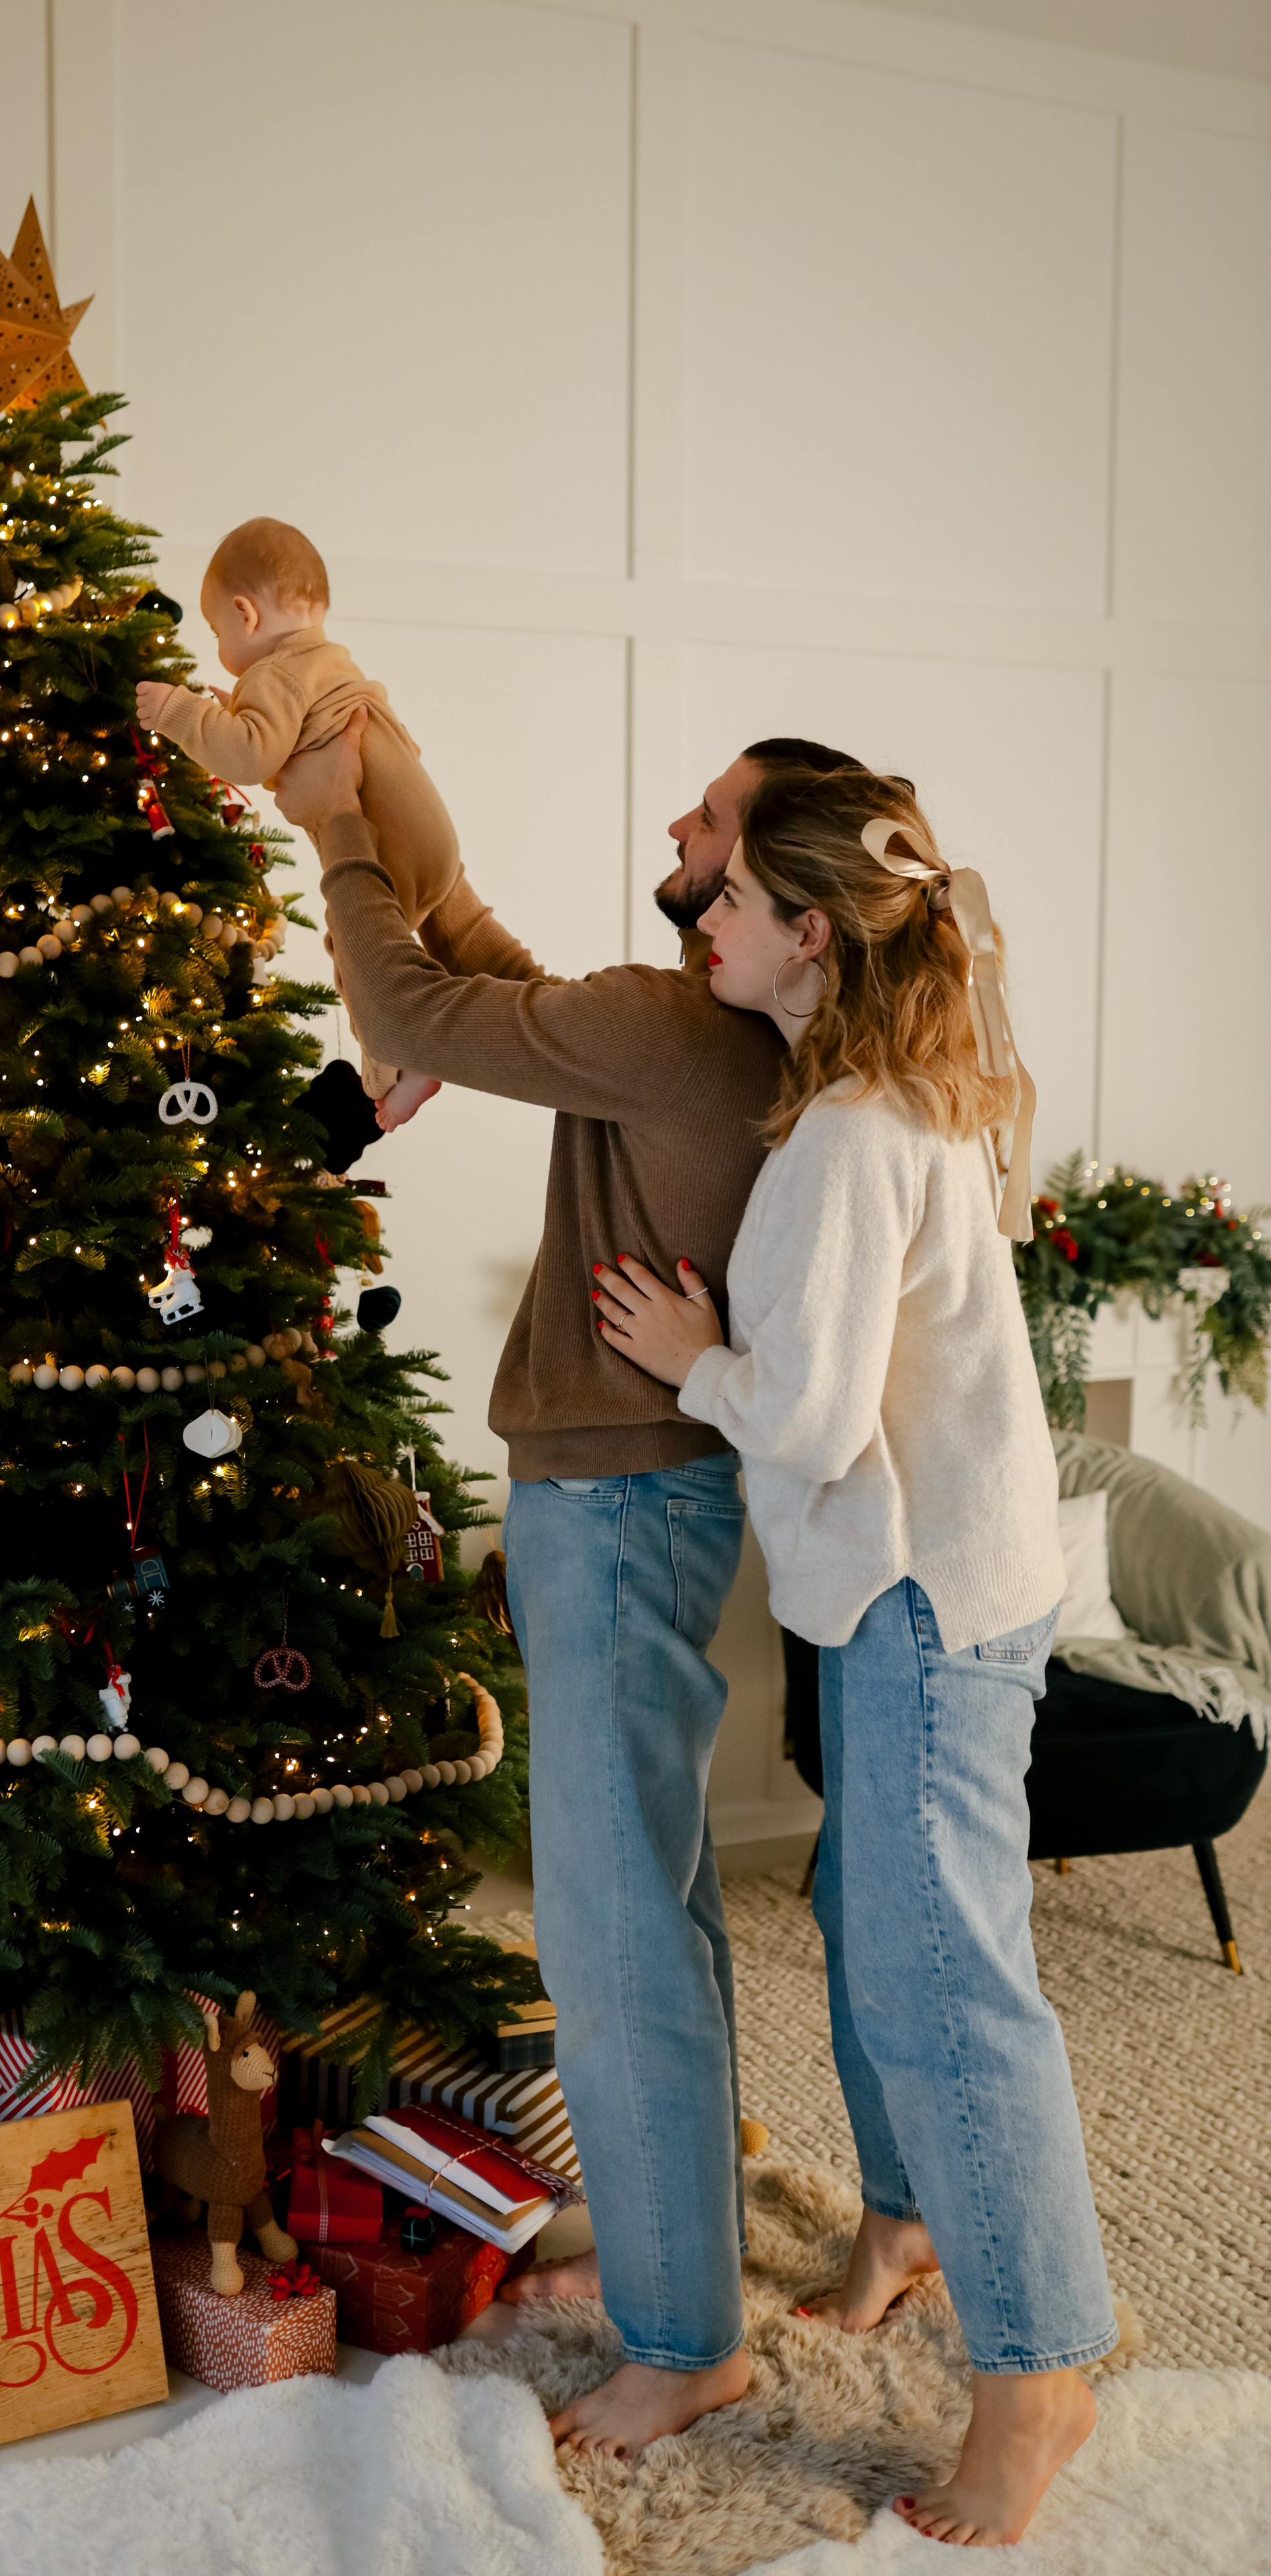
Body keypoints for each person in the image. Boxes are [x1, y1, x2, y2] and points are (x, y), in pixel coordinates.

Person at [272, 715, 866, 2455]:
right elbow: (473, 952)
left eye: (718, 823)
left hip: (611, 1509)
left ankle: (685, 2342)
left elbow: (415, 1006)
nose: (681, 825)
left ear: (789, 896)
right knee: (655, 1906)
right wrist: (368, 768)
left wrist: (330, 837)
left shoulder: (680, 1029)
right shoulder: (695, 1031)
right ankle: (682, 2266)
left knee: (611, 1936)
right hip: (645, 1502)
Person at [591, 763, 1115, 2546]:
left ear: (808, 932)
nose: (700, 921)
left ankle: (1037, 2375)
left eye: (723, 902)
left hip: (922, 1602)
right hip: (958, 1570)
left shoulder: (841, 1136)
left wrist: (688, 1353)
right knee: (867, 1919)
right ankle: (906, 2221)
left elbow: (806, 1417)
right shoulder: (912, 1088)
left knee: (947, 1984)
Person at [136, 515, 459, 1130]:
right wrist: (235, 712)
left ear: (245, 614)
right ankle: (420, 1042)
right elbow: (287, 735)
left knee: (356, 947)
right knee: (393, 949)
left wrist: (180, 713)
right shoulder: (327, 661)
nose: (222, 649)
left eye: (216, 630)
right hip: (432, 839)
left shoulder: (274, 674)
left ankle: (399, 1066)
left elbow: (251, 756)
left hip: (389, 845)